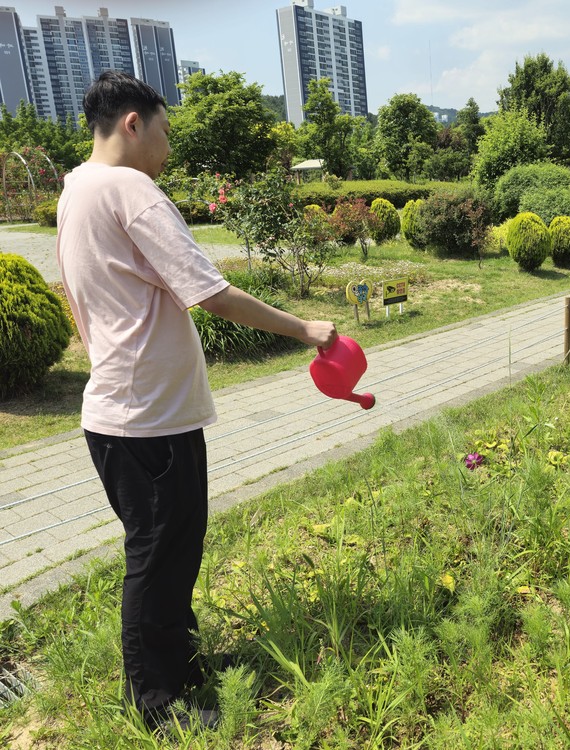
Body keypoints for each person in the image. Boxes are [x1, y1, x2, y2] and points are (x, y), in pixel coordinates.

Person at [56, 71, 337, 730]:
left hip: (127, 411)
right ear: (134, 122)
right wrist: (305, 329)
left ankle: (179, 668)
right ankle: (160, 707)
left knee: (170, 551)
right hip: (147, 417)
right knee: (156, 558)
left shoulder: (76, 189)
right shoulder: (130, 188)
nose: (167, 146)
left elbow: (73, 294)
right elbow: (207, 291)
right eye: (165, 130)